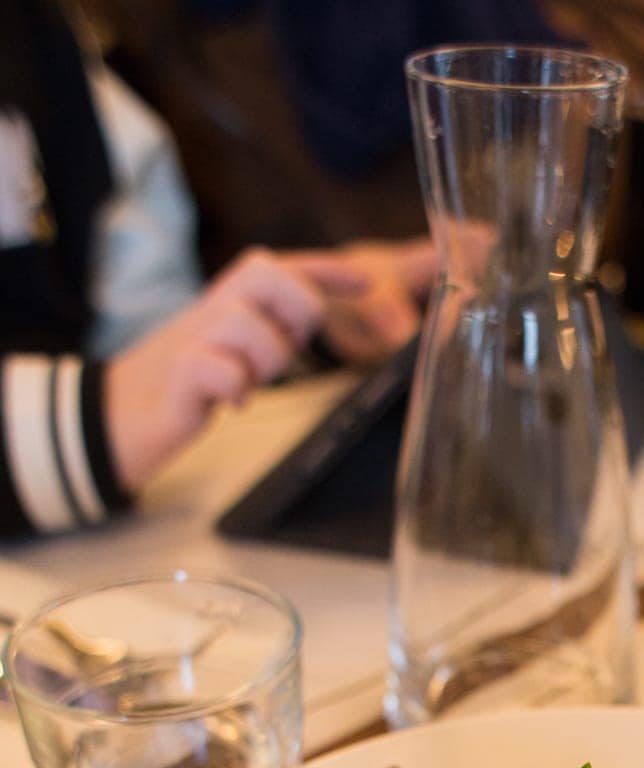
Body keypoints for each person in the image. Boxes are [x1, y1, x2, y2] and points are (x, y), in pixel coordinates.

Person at [0, 0, 438, 537]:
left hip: (93, 536)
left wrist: (296, 323)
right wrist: (88, 422)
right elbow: (118, 403)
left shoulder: (38, 34)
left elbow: (136, 321)